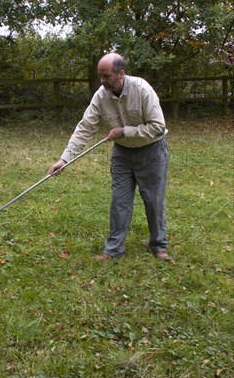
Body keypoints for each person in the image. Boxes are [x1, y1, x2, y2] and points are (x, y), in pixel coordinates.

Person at [48, 52, 172, 261]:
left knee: (153, 200)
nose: (102, 81)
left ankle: (159, 246)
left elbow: (158, 127)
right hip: (122, 154)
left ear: (120, 74)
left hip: (152, 151)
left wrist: (125, 131)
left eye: (106, 76)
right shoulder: (101, 95)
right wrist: (64, 159)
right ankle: (113, 250)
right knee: (119, 201)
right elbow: (85, 128)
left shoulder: (142, 90)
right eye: (100, 76)